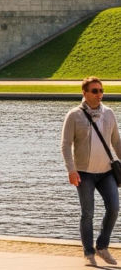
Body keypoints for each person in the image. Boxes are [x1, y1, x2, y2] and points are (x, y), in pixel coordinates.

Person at [61, 76, 120, 266]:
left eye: (101, 91)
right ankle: (89, 252)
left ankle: (102, 247)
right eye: (95, 91)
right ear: (84, 93)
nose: (99, 94)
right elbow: (65, 144)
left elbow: (116, 142)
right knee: (87, 213)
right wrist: (71, 170)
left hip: (106, 172)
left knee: (114, 208)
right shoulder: (74, 115)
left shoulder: (109, 113)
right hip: (83, 173)